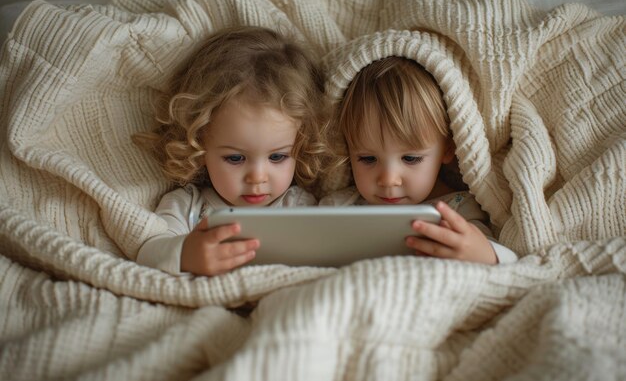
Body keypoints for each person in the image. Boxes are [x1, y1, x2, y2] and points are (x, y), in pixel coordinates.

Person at [133, 26, 326, 276]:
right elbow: (147, 254)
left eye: (277, 157)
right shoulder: (187, 206)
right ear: (199, 146)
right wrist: (186, 254)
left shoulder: (298, 206)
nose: (257, 177)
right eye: (235, 158)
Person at [319, 56, 517, 264]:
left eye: (411, 158)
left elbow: (510, 262)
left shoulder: (458, 211)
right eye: (367, 159)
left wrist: (485, 255)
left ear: (448, 149)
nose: (388, 180)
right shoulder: (339, 207)